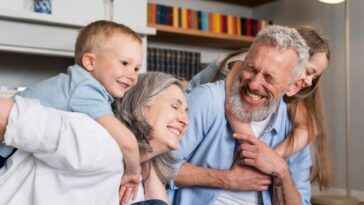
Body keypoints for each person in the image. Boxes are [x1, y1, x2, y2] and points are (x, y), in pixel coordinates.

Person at [168, 25, 312, 205]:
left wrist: (281, 171)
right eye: (251, 68)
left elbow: (302, 202)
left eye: (269, 78)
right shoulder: (208, 100)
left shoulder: (293, 130)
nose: (254, 84)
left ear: (294, 86)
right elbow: (157, 165)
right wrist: (227, 179)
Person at [0, 20, 143, 200]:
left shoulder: (79, 84)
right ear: (90, 62)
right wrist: (133, 173)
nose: (132, 76)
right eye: (124, 63)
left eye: (137, 68)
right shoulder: (86, 89)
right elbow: (127, 142)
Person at [0, 72, 188, 205]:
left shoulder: (134, 183)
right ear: (140, 105)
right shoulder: (95, 138)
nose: (185, 120)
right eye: (174, 107)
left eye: (186, 112)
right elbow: (6, 115)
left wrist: (147, 163)